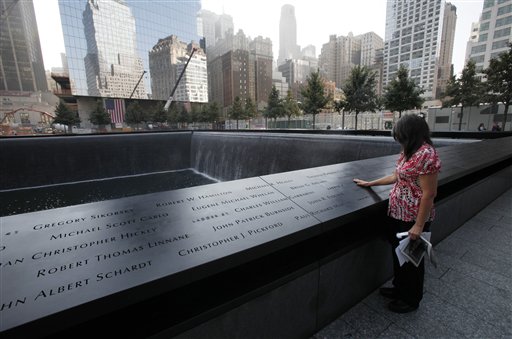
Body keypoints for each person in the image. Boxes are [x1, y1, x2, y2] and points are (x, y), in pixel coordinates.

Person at [353, 114, 441, 314]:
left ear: (410, 133)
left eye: (400, 134)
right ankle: (399, 288)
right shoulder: (409, 151)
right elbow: (397, 176)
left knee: (413, 260)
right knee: (399, 255)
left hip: (414, 217)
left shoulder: (427, 155)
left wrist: (418, 226)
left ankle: (411, 299)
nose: (398, 138)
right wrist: (371, 183)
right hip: (397, 212)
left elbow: (429, 194)